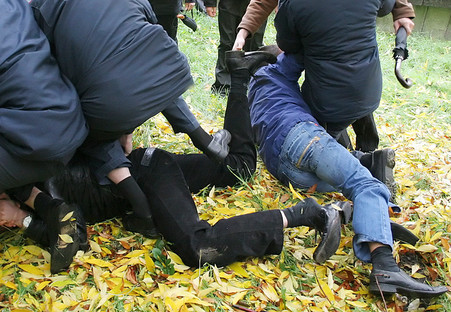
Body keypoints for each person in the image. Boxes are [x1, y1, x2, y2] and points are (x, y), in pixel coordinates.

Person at [0, 51, 348, 270]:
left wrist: (21, 214)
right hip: (147, 169)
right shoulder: (21, 186)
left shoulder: (23, 179)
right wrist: (22, 220)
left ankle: (309, 214)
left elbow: (71, 230)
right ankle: (240, 75)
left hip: (148, 173)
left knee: (200, 247)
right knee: (238, 167)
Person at [246, 0, 447, 298]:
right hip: (304, 139)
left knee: (342, 175)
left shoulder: (255, 87)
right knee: (364, 186)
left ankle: (354, 205)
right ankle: (384, 267)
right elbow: (294, 54)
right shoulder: (281, 70)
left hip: (283, 168)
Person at [29, 0, 231, 228]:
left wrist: (121, 126)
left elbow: (48, 66)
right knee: (153, 69)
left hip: (109, 102)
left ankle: (142, 209)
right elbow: (146, 24)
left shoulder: (40, 10)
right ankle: (207, 142)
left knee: (92, 135)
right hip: (170, 68)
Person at [233, 0, 416, 155]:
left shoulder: (295, 6)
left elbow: (289, 44)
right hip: (368, 86)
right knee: (350, 82)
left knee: (314, 153)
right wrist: (402, 10)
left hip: (329, 100)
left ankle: (364, 160)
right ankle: (366, 150)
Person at [0, 0, 88, 273]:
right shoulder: (20, 7)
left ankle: (31, 219)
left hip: (31, 136)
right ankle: (53, 212)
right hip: (69, 127)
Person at [205, 0, 268, 96]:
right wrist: (210, 3)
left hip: (259, 5)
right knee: (227, 44)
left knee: (255, 46)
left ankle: (254, 84)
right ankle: (223, 85)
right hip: (229, 4)